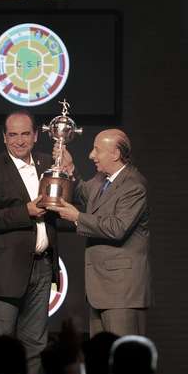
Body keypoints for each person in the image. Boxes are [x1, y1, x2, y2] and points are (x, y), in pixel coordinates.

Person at [0, 111, 60, 374]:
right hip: (3, 272)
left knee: (35, 344)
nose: (19, 141)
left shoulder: (48, 164)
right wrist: (26, 211)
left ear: (35, 136)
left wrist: (68, 167)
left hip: (42, 266)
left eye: (24, 134)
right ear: (4, 137)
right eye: (13, 134)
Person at [48, 129, 151, 336]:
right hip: (101, 290)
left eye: (97, 150)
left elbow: (117, 227)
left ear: (115, 154)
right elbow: (82, 193)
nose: (91, 155)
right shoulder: (102, 179)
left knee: (124, 360)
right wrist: (68, 167)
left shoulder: (134, 185)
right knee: (101, 359)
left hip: (122, 293)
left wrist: (77, 217)